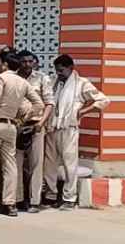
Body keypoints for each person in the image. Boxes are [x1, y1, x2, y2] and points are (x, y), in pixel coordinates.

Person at [0, 53, 43, 217]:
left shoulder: (0, 78)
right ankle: (10, 203)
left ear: (5, 64)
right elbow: (39, 104)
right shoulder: (23, 82)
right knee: (10, 165)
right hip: (12, 125)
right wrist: (22, 118)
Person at [44, 54, 110, 209]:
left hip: (69, 129)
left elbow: (103, 100)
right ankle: (51, 195)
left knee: (69, 164)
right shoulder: (54, 82)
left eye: (61, 70)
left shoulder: (81, 83)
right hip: (52, 128)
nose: (58, 73)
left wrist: (84, 111)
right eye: (57, 70)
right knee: (49, 164)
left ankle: (69, 198)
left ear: (70, 68)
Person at [15, 50, 55, 212]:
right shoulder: (13, 77)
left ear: (35, 62)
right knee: (15, 164)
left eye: (30, 61)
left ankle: (34, 201)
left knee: (36, 164)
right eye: (24, 61)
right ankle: (17, 199)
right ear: (19, 62)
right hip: (16, 125)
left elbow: (49, 103)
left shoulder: (42, 78)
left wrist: (41, 123)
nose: (27, 64)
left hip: (36, 126)